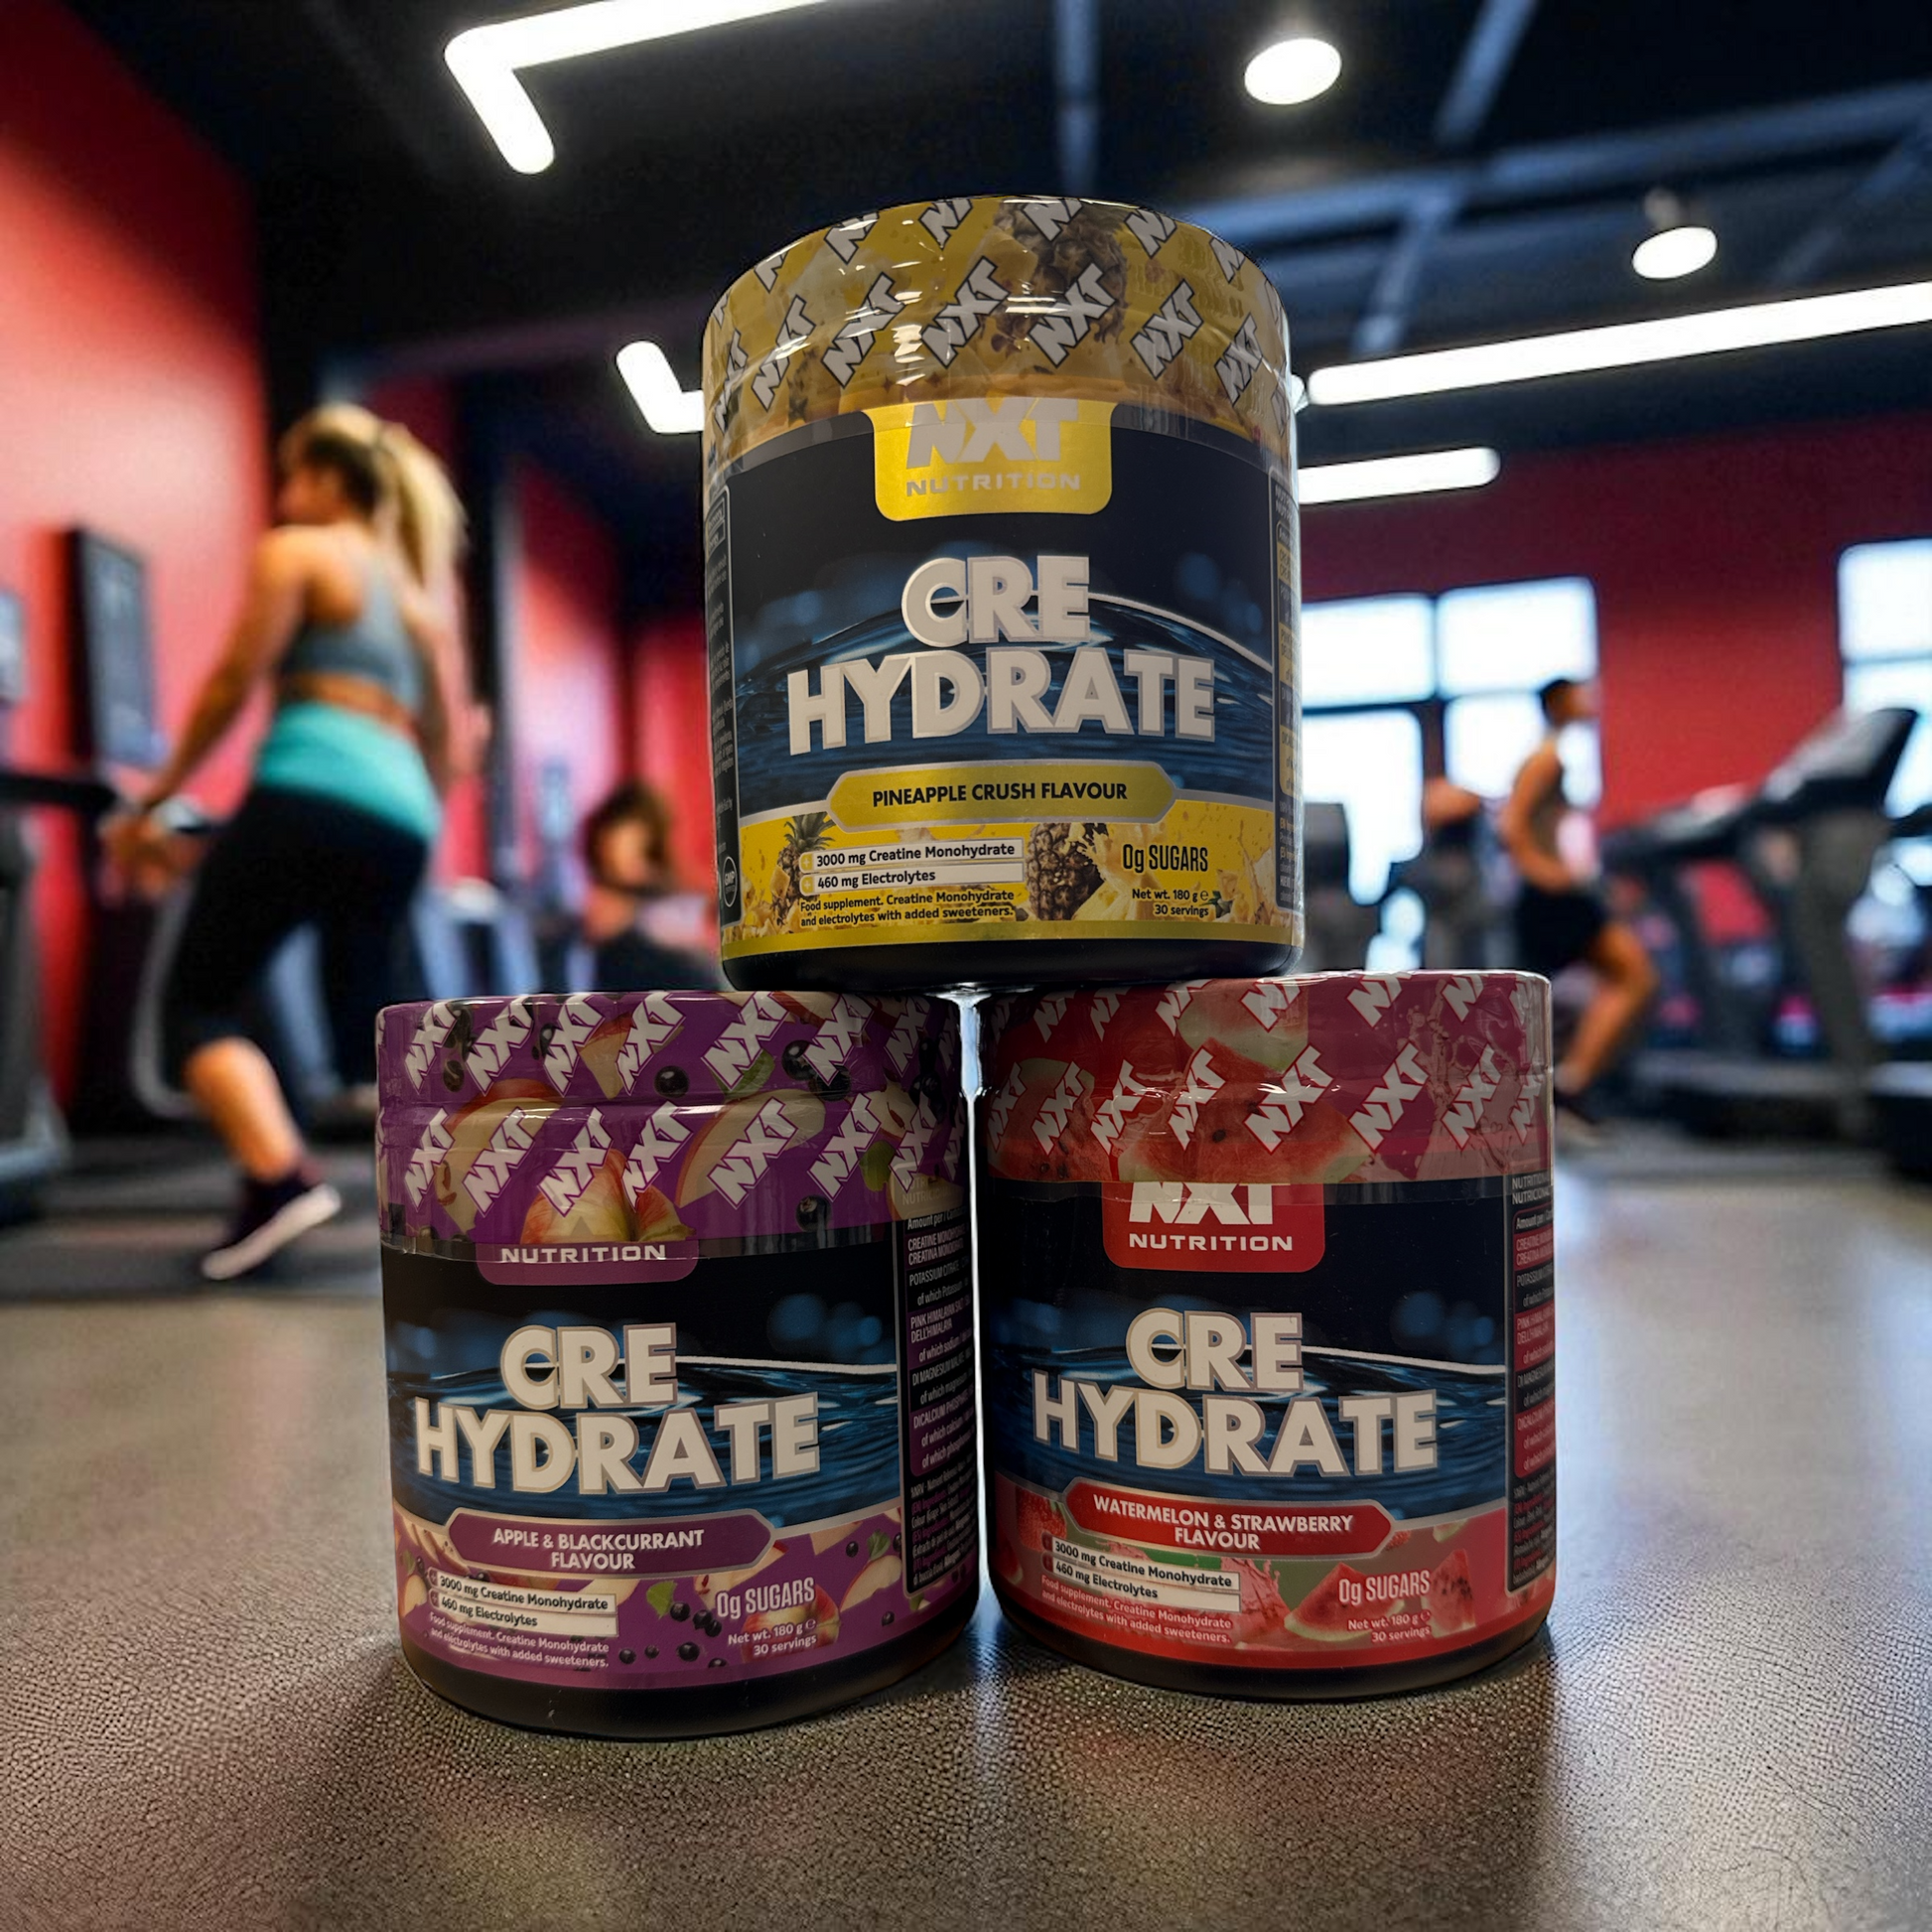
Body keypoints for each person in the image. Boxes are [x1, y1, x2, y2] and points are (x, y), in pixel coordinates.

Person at [104, 404, 470, 1279]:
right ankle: (450, 1198)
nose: (281, 492)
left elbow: (234, 679)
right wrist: (410, 819)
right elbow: (451, 747)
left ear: (329, 480)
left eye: (293, 472)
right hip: (403, 817)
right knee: (372, 1032)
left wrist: (153, 799)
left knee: (199, 1001)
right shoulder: (419, 595)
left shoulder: (297, 552)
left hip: (309, 788)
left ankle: (278, 1178)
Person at [1499, 677, 1658, 1135]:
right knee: (1634, 973)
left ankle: (1570, 1083)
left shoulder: (1555, 754)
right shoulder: (1545, 758)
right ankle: (1569, 1085)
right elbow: (1512, 825)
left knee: (1626, 976)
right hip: (1550, 896)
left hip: (1559, 892)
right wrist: (1547, 874)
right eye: (1580, 696)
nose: (1591, 703)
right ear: (1558, 704)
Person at [580, 781, 719, 990]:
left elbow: (695, 929)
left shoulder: (676, 890)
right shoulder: (597, 898)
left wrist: (633, 916)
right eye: (611, 837)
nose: (616, 849)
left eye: (630, 837)